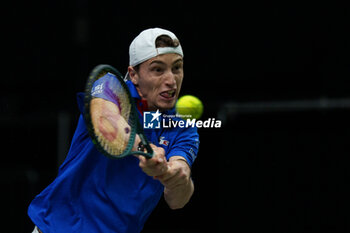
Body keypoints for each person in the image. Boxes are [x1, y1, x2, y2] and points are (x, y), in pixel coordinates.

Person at [28, 28, 200, 233]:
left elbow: (177, 200)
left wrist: (176, 177)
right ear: (134, 75)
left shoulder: (182, 126)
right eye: (158, 69)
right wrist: (144, 149)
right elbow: (107, 121)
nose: (171, 80)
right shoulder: (110, 86)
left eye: (177, 68)